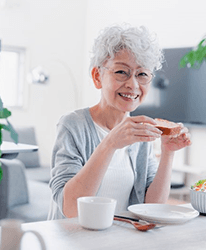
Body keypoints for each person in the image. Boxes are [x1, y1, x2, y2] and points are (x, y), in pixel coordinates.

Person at [48, 24, 191, 219]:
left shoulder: (141, 133)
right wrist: (110, 143)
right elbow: (71, 209)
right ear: (98, 76)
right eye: (121, 72)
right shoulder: (72, 125)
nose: (133, 85)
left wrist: (168, 154)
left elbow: (152, 207)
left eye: (142, 74)